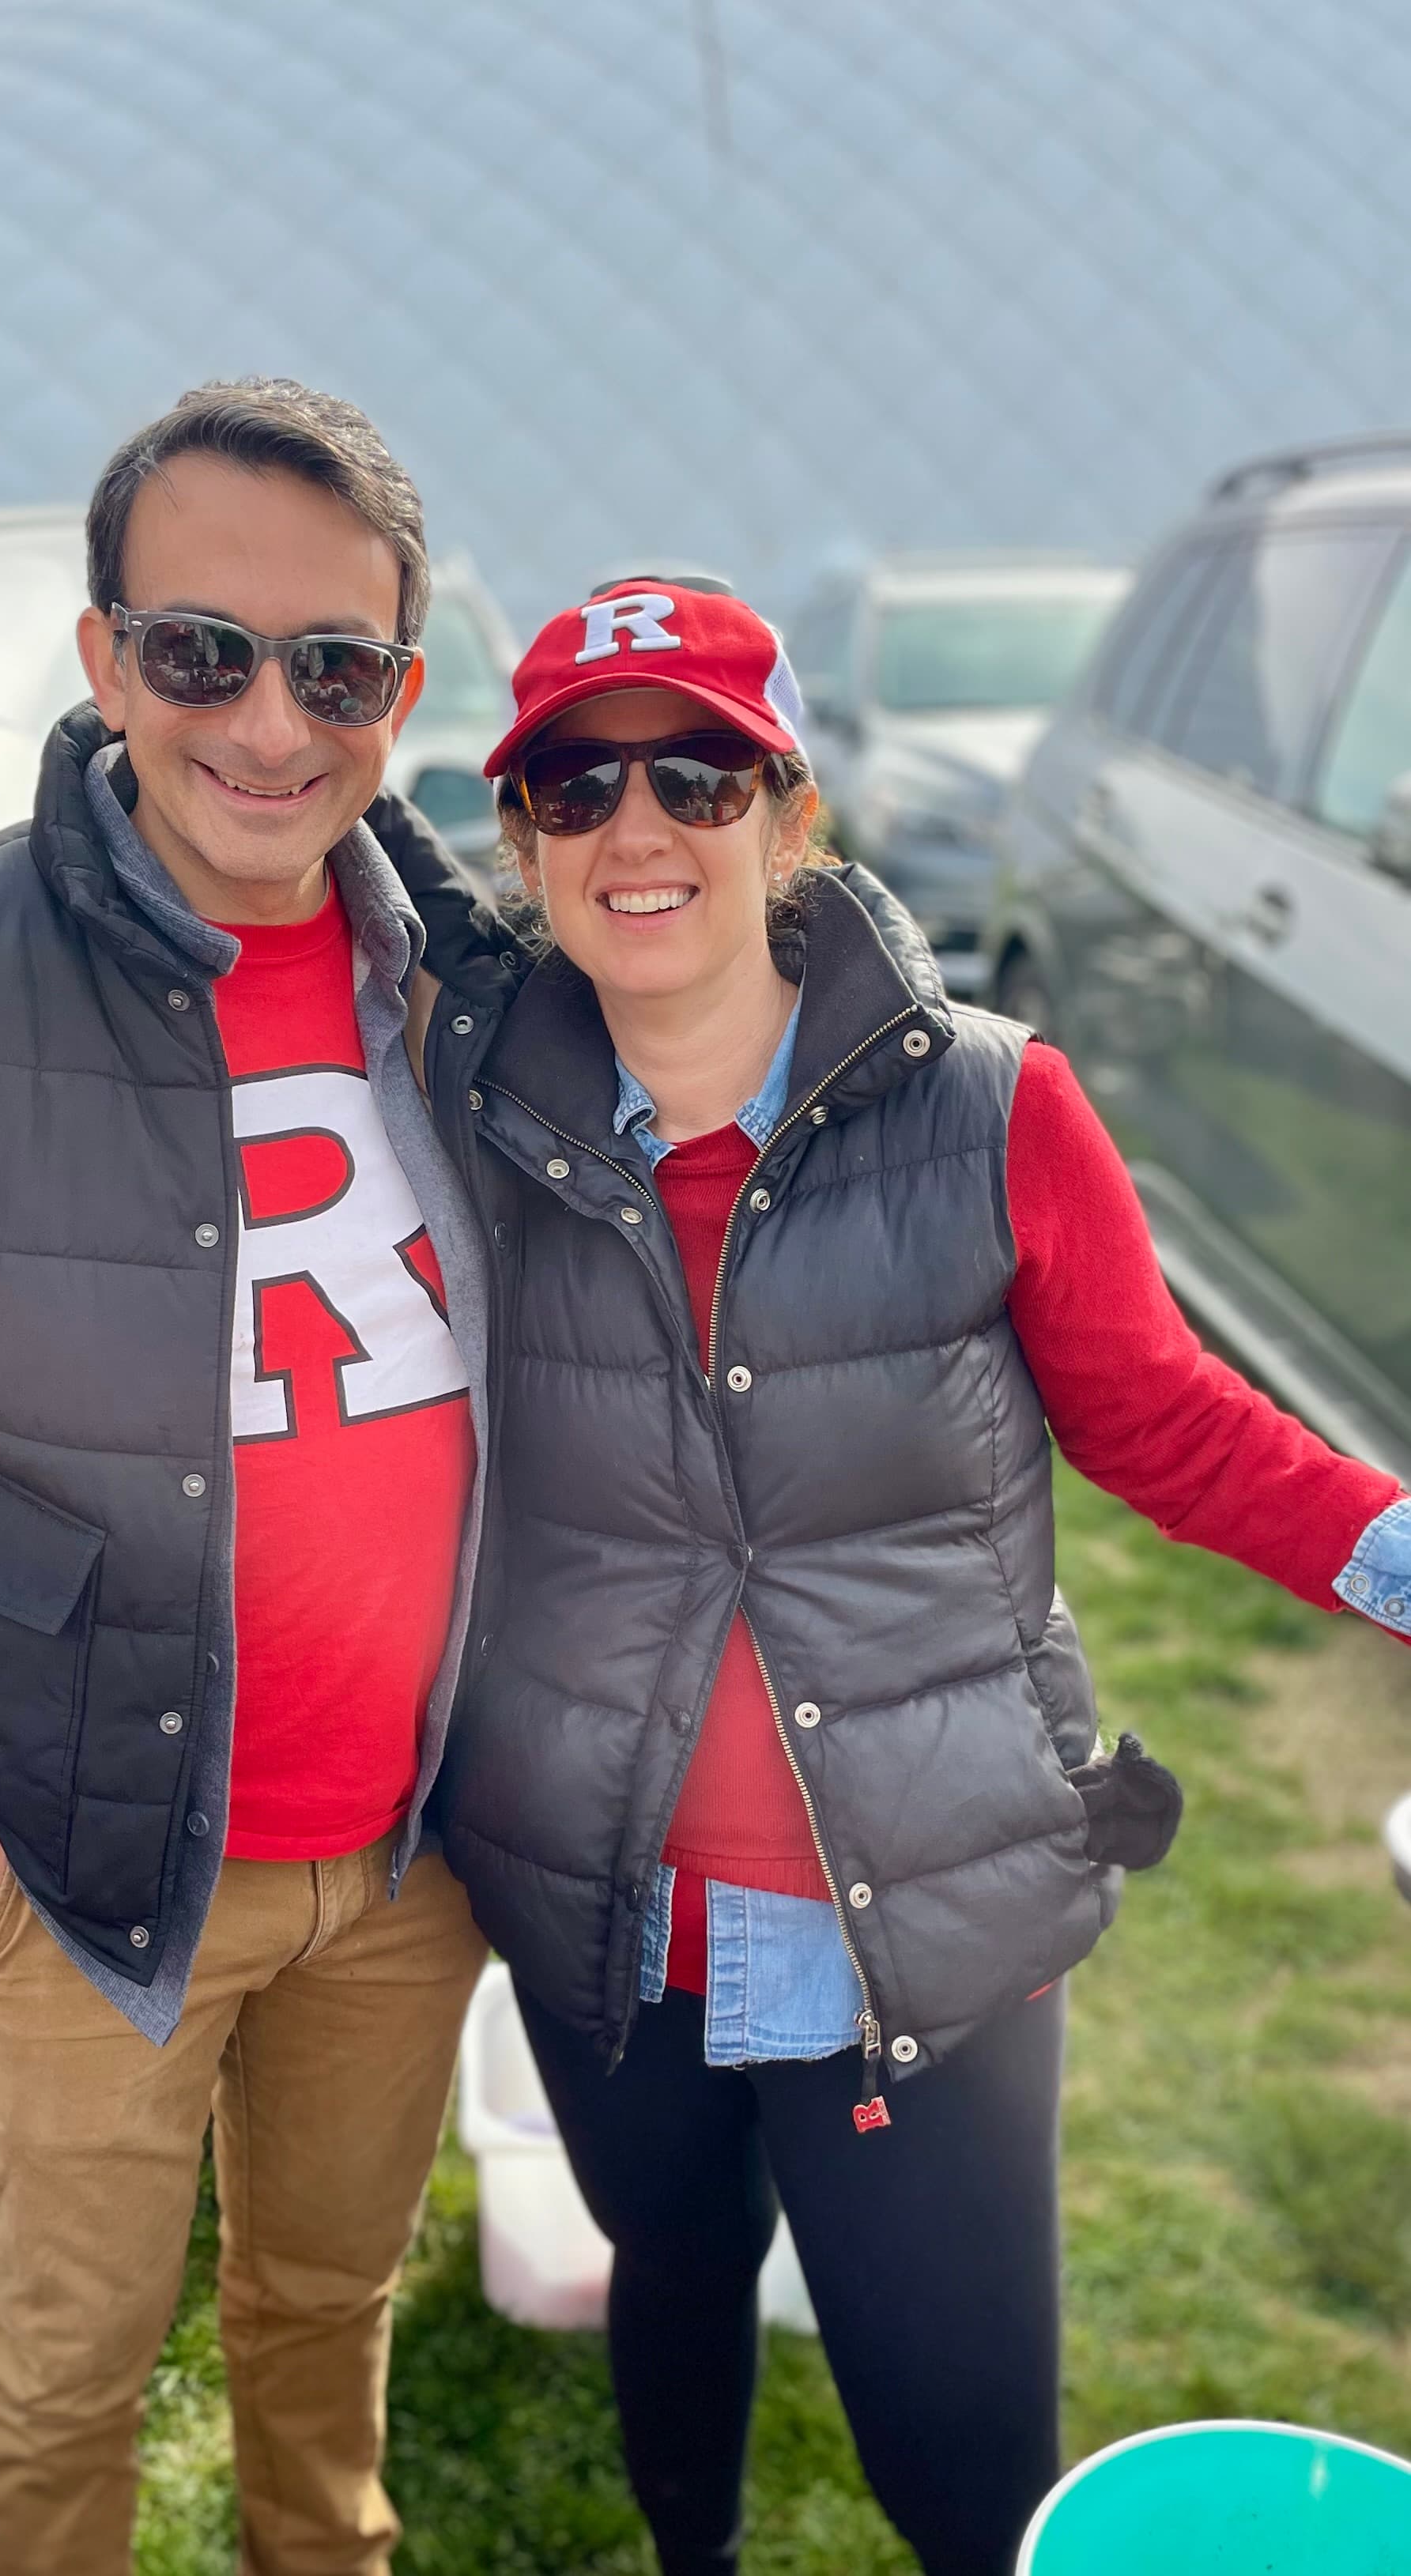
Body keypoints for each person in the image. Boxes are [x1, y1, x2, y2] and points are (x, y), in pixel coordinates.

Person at [406, 579, 1411, 2576]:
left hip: (923, 1911)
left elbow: (1173, 1425)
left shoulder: (987, 1104)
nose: (638, 829)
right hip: (600, 1899)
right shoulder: (459, 1111)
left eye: (697, 772)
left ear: (793, 817)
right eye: (575, 783)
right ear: (516, 838)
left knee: (963, 2471)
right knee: (666, 2294)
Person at [0, 379, 491, 2576]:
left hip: (411, 1856)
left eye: (331, 665)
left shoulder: (477, 985)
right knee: (62, 2367)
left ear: (397, 694)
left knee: (330, 2308)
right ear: (101, 656)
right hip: (71, 1865)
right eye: (198, 650)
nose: (266, 719)